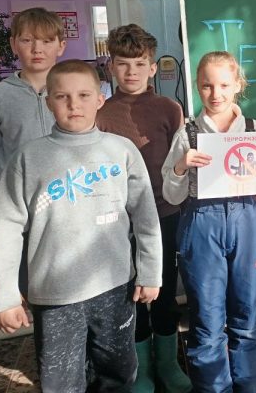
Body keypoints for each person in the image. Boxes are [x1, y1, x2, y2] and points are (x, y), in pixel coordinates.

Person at [0, 59, 163, 392]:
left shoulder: (122, 151)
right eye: (62, 96)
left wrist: (151, 273)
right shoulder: (27, 158)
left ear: (100, 99)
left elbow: (145, 217)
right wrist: (4, 296)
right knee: (61, 383)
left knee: (119, 375)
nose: (74, 104)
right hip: (56, 295)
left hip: (116, 287)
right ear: (48, 102)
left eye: (84, 95)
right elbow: (7, 229)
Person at [161, 50, 256, 393]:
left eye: (224, 85)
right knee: (207, 320)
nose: (215, 93)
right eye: (207, 86)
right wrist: (180, 166)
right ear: (197, 86)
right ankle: (213, 389)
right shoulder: (187, 133)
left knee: (247, 315)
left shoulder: (253, 129)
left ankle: (250, 387)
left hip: (247, 221)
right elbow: (171, 195)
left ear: (238, 85)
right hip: (201, 224)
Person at [96, 24, 190, 393]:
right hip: (119, 221)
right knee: (129, 293)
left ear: (152, 68)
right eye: (123, 64)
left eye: (139, 64)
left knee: (163, 290)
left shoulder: (170, 109)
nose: (131, 72)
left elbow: (181, 162)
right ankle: (140, 368)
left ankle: (168, 362)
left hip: (165, 214)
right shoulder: (101, 113)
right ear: (111, 67)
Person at [0, 7, 67, 234]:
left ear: (61, 46)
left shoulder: (75, 91)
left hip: (69, 209)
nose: (37, 49)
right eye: (27, 40)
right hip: (18, 214)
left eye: (47, 41)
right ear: (14, 44)